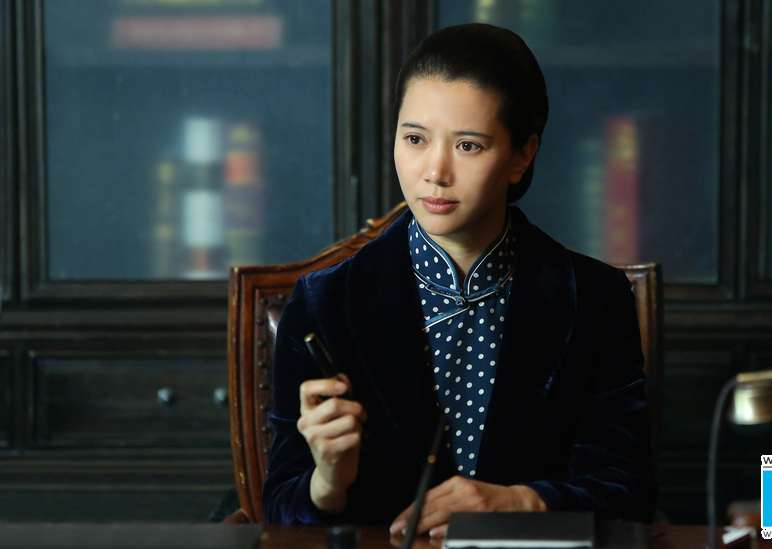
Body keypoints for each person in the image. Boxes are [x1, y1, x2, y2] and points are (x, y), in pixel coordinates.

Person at [262, 22, 656, 536]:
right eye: (415, 139)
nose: (435, 172)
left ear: (522, 155)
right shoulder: (324, 302)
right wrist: (328, 482)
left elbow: (628, 492)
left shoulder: (594, 299)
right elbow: (279, 510)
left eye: (468, 146)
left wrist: (522, 503)